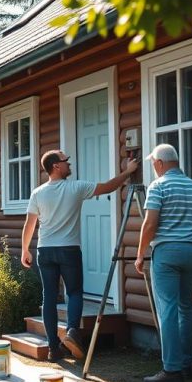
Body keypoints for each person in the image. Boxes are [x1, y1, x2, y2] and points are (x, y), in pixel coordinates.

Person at [21, 149, 140, 361]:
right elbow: (108, 187)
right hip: (68, 249)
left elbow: (29, 224)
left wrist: (24, 250)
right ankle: (72, 332)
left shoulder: (38, 193)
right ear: (56, 166)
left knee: (49, 295)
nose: (70, 164)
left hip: (45, 250)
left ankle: (53, 348)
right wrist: (128, 172)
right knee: (74, 292)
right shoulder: (76, 187)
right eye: (66, 161)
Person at [134, 143, 192, 382]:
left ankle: (171, 369)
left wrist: (140, 254)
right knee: (185, 307)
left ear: (159, 163)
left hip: (167, 253)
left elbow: (150, 224)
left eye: (153, 164)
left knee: (167, 309)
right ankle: (186, 364)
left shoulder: (158, 186)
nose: (153, 168)